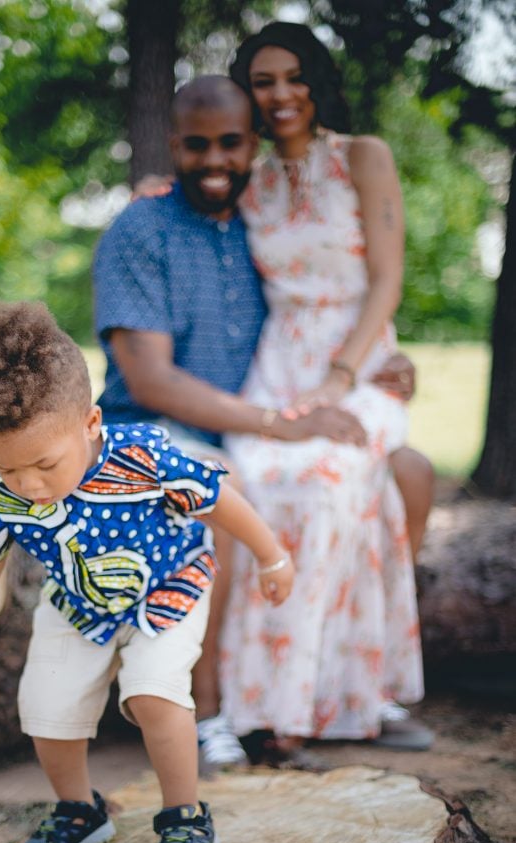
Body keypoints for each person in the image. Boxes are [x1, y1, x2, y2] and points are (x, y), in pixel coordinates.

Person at [93, 74, 433, 766]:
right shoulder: (141, 229)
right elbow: (149, 379)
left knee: (407, 474)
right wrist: (278, 425)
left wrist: (379, 370)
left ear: (252, 146)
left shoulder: (254, 217)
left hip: (253, 418)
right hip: (154, 431)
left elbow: (321, 292)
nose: (213, 162)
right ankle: (214, 710)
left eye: (228, 145)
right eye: (196, 147)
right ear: (171, 145)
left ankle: (351, 688)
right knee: (218, 487)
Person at [0, 301, 294, 843]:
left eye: (44, 464)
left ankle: (185, 817)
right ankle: (80, 811)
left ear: (91, 424)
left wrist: (271, 553)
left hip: (166, 591)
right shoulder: (1, 494)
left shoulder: (142, 456)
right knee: (45, 708)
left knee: (153, 693)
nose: (28, 485)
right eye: (6, 467)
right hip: (78, 602)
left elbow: (216, 497)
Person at [215, 21, 432, 755]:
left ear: (317, 81)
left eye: (293, 76)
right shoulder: (248, 172)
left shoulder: (362, 157)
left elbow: (387, 279)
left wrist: (344, 376)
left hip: (361, 356)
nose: (280, 94)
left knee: (330, 478)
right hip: (279, 362)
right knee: (254, 480)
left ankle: (316, 703)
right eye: (263, 81)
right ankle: (274, 706)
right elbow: (193, 190)